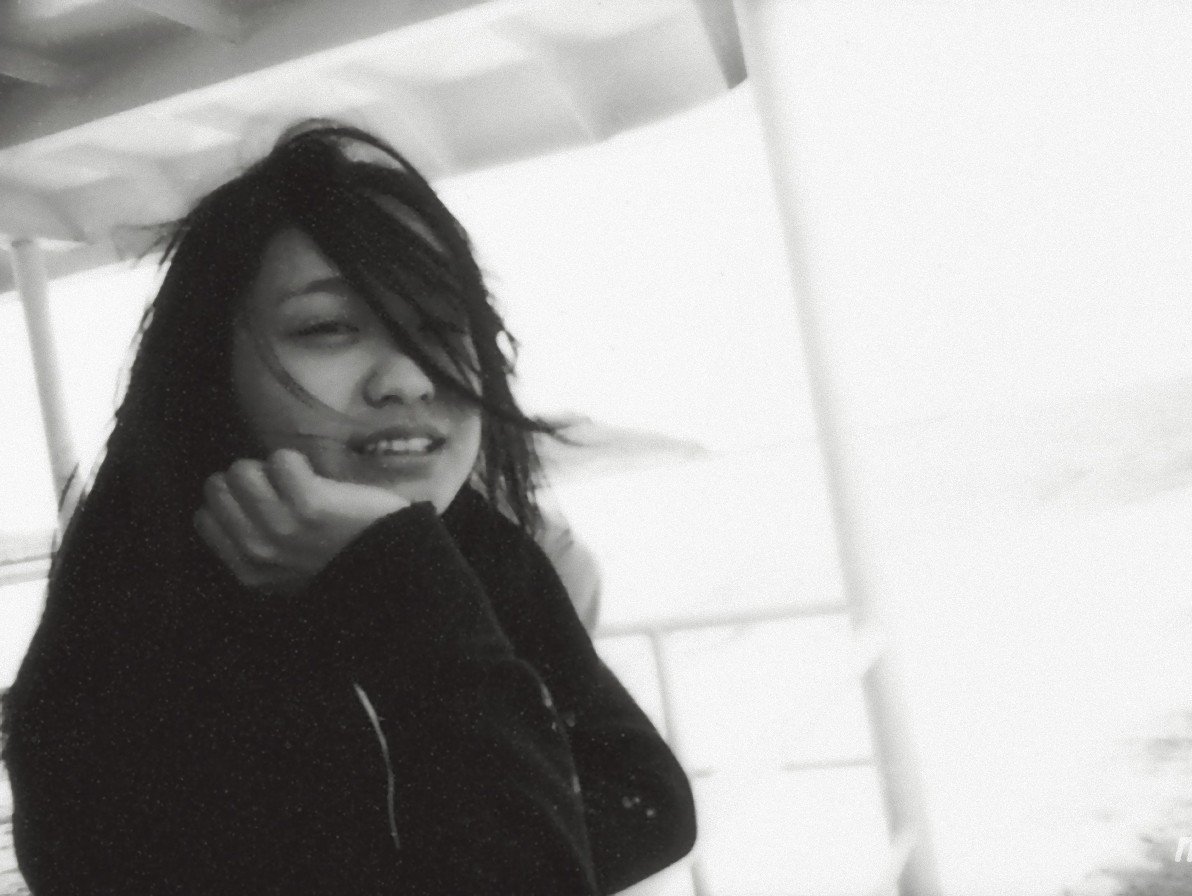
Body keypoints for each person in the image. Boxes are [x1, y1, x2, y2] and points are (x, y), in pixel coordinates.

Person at [1, 123, 695, 895]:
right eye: (328, 328)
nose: (408, 378)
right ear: (208, 370)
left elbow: (652, 804)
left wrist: (404, 577)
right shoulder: (126, 668)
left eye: (442, 326)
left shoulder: (467, 546)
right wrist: (407, 598)